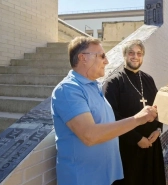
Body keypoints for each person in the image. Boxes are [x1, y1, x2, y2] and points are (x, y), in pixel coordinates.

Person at [51, 36, 158, 185]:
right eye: (101, 56)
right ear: (83, 58)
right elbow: (89, 135)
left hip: (105, 175)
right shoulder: (69, 90)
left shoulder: (94, 86)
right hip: (83, 178)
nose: (106, 61)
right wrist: (138, 119)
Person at [103, 39, 166, 185]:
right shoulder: (114, 82)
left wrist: (158, 129)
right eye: (131, 53)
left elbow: (159, 106)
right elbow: (112, 116)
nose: (135, 56)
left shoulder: (148, 79)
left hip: (151, 143)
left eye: (139, 53)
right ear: (124, 55)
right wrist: (137, 139)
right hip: (127, 146)